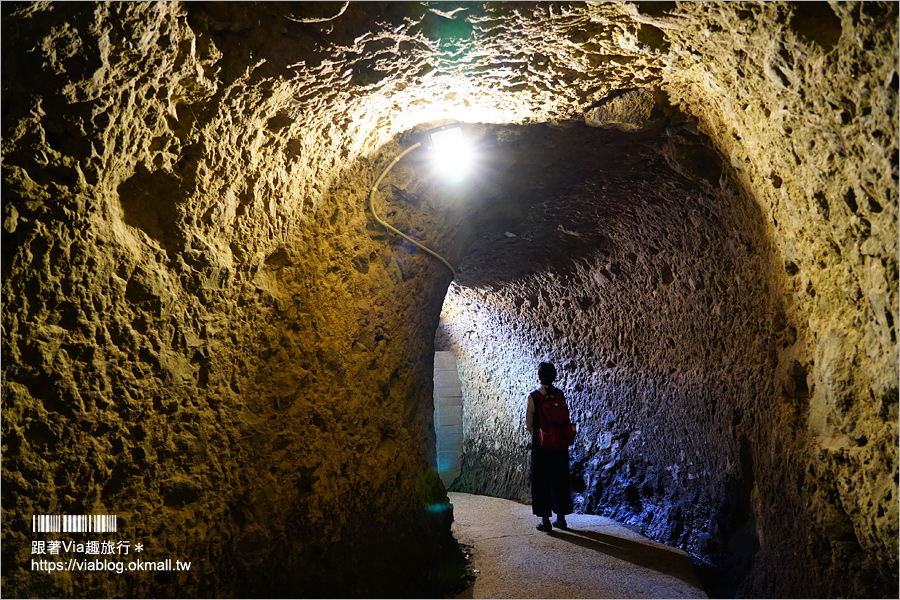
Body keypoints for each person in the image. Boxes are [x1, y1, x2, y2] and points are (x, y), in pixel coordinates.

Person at [526, 361, 574, 532]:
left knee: (541, 481)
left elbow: (529, 424)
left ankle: (545, 520)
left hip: (542, 445)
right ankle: (561, 518)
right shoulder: (560, 394)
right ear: (554, 376)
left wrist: (538, 439)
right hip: (560, 444)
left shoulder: (534, 397)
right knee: (560, 479)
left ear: (539, 377)